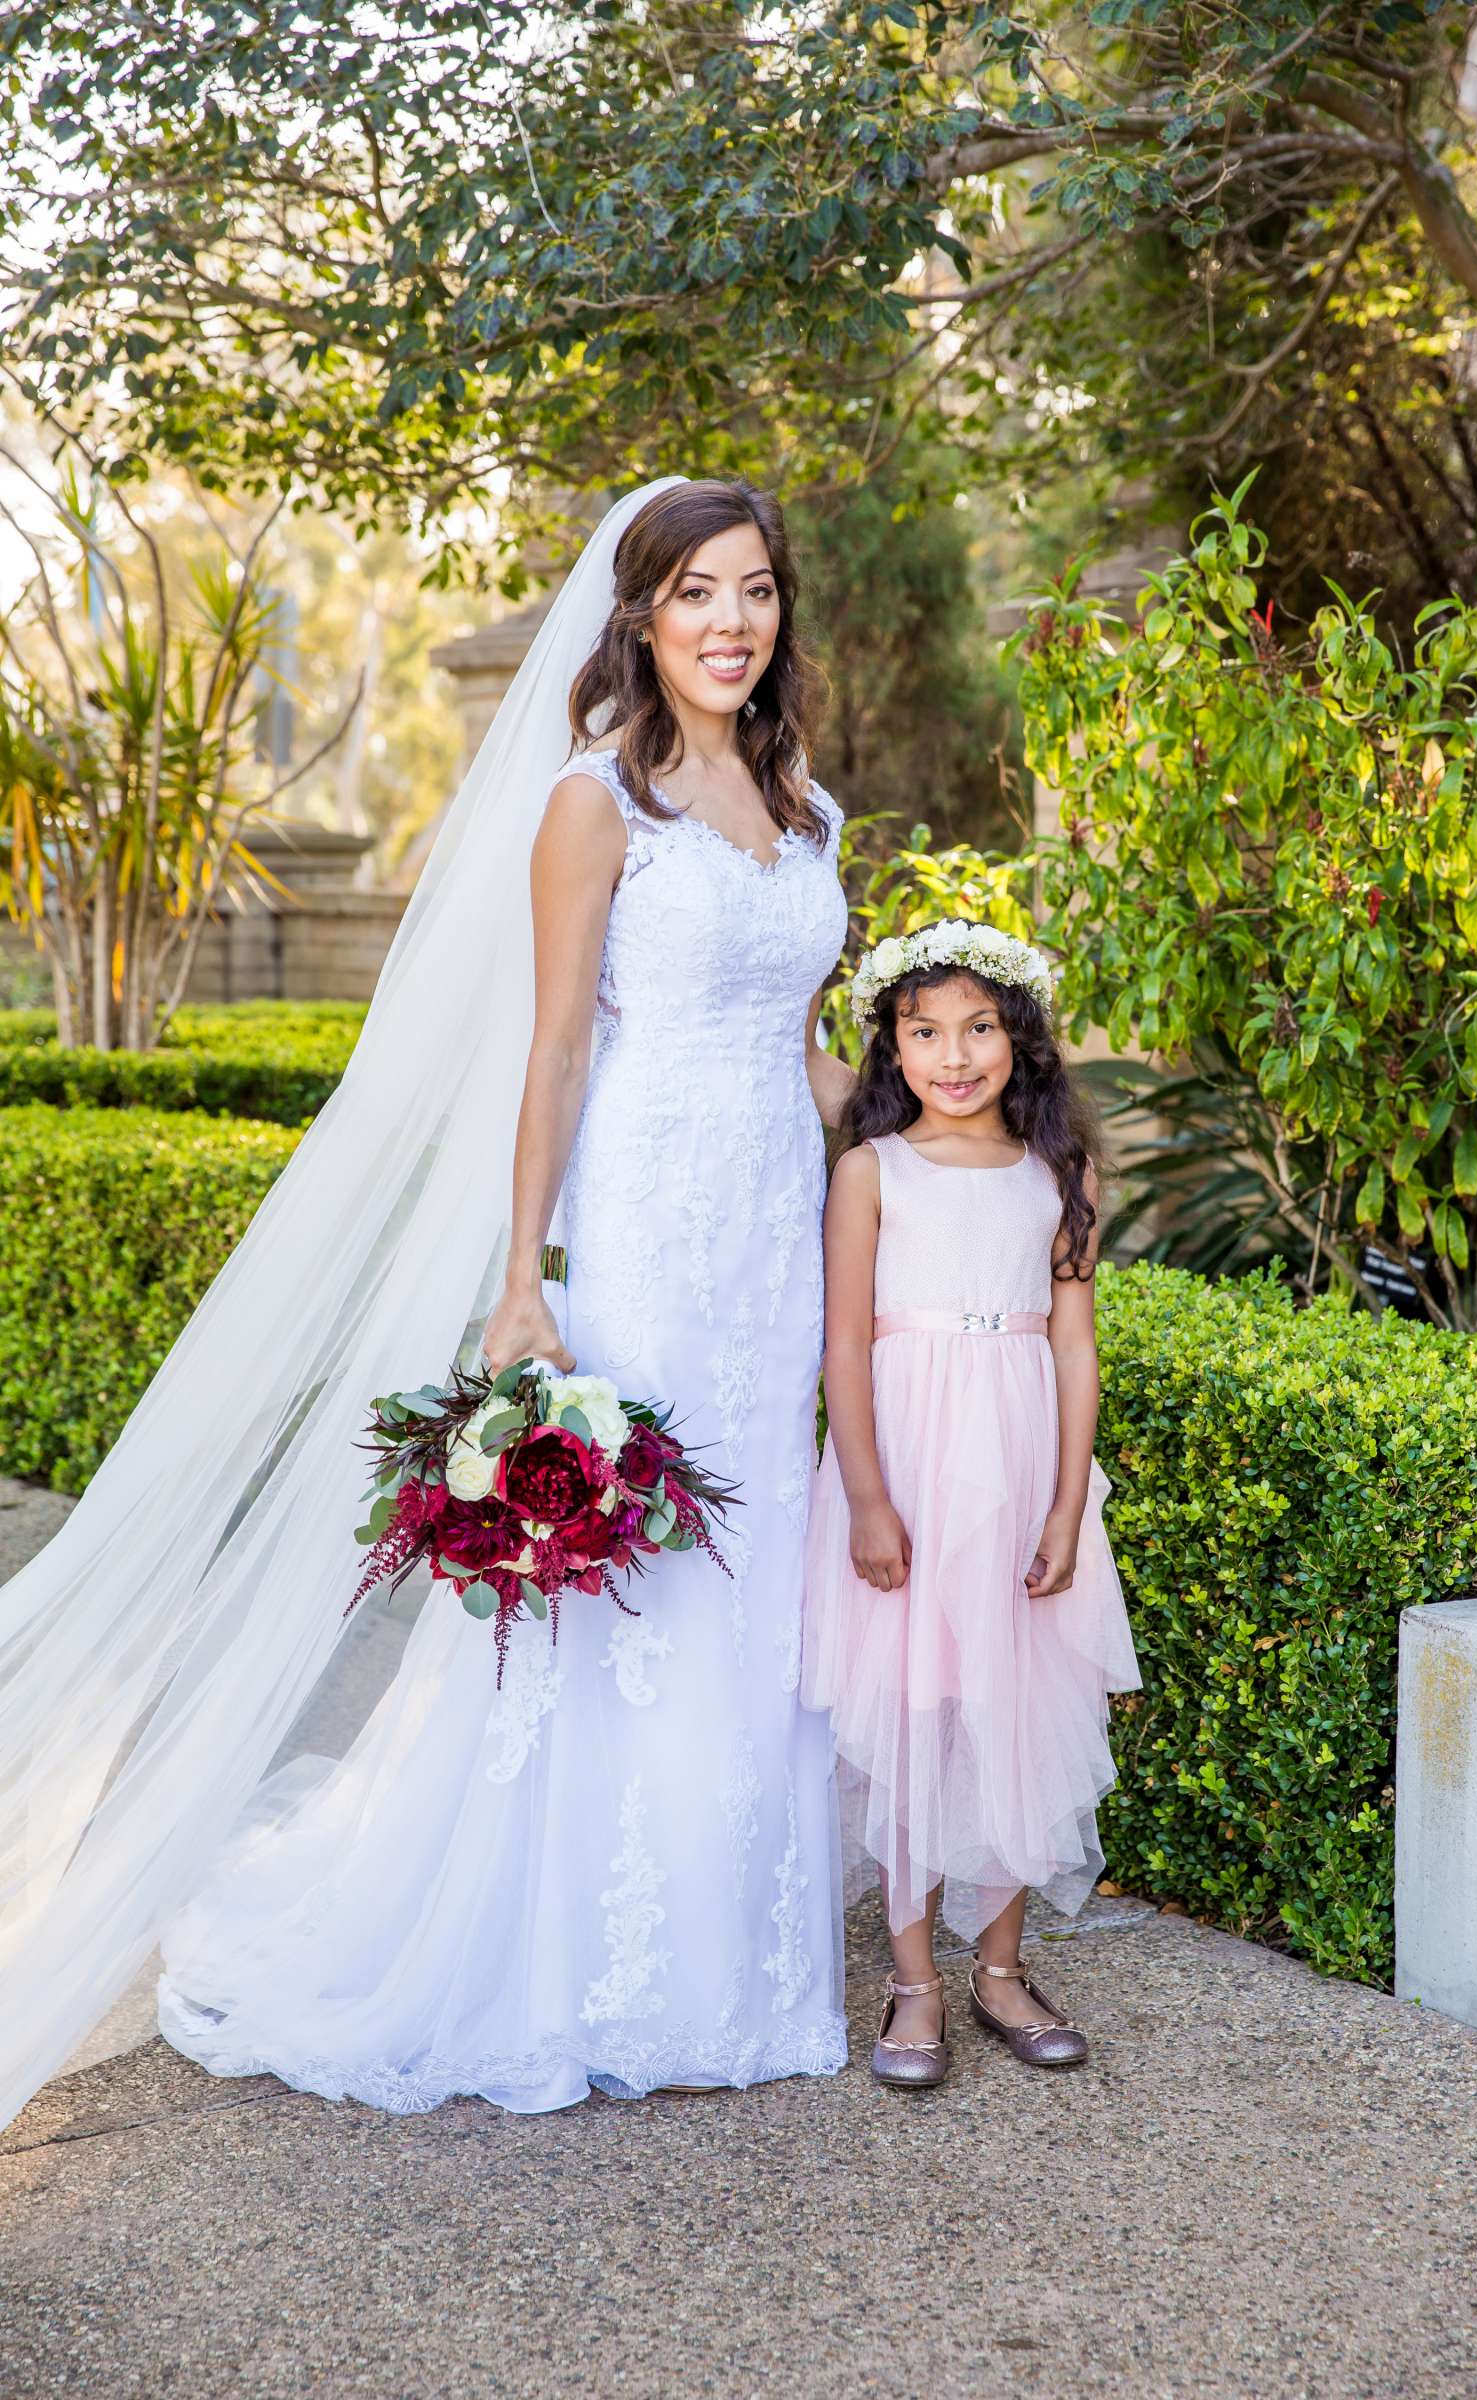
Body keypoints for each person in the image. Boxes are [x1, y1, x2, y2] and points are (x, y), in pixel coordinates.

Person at [0, 477, 854, 2128]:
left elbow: (802, 1046)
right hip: (647, 1247)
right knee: (629, 1586)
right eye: (696, 595)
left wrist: (948, 1140)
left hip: (778, 1260)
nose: (732, 623)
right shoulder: (594, 804)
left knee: (753, 1585)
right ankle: (570, 1955)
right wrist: (522, 1277)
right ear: (641, 618)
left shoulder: (807, 809)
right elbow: (551, 1048)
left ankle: (734, 1951)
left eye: (754, 592)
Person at [800, 921, 1141, 2091]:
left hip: (1016, 1464)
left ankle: (1000, 1969)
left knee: (1013, 1704)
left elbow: (1077, 1348)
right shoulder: (870, 1172)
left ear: (1019, 1038)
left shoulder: (1061, 1175)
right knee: (913, 1711)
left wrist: (1063, 1507)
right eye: (925, 1031)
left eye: (980, 1028)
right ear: (891, 1048)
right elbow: (845, 1344)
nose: (955, 1056)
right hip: (909, 1462)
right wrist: (865, 1499)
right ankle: (913, 1982)